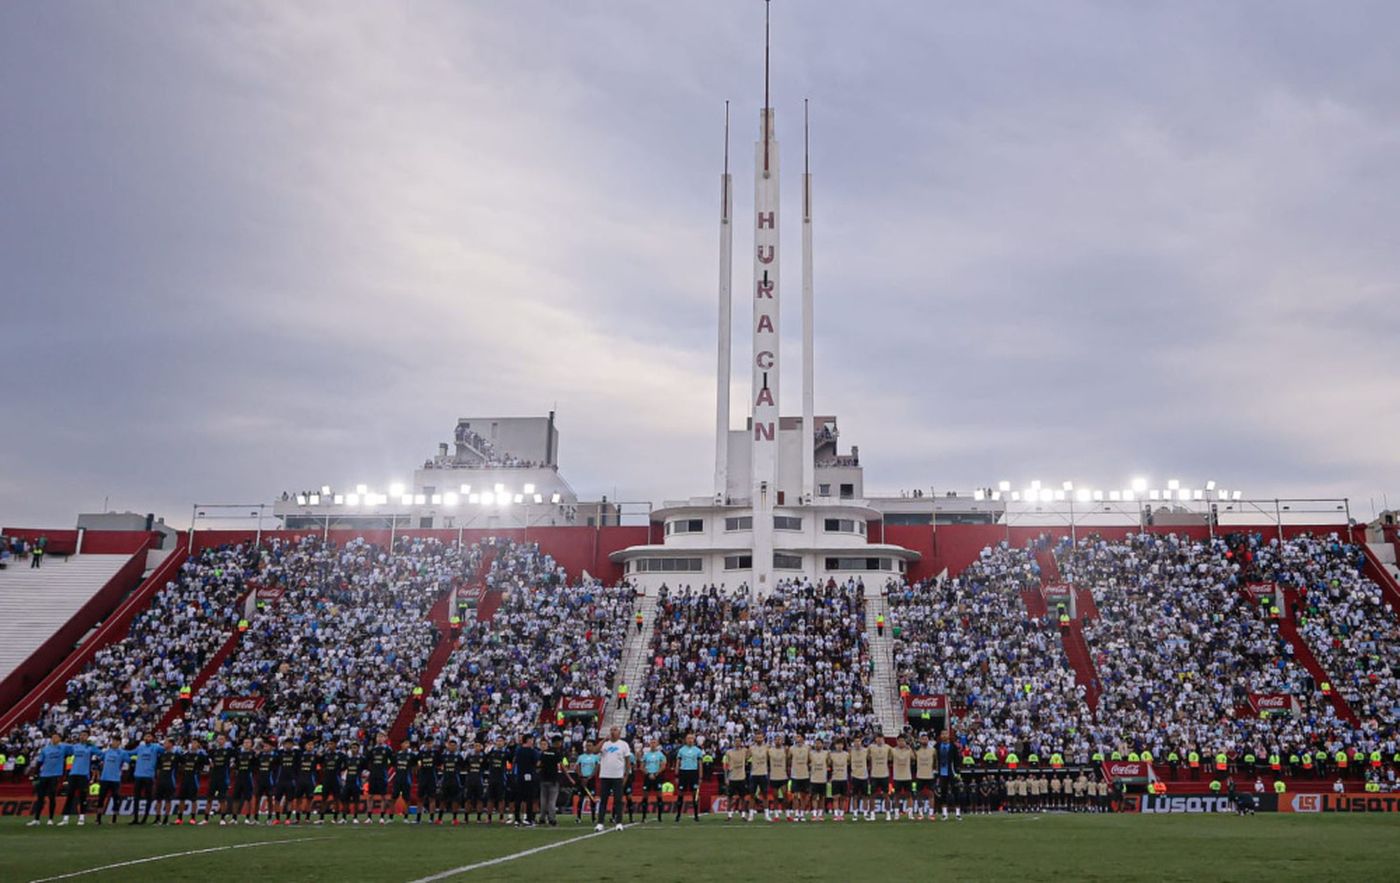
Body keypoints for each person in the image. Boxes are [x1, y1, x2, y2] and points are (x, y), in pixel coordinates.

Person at [597, 726, 633, 829]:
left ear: (619, 733)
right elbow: (595, 750)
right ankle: (600, 823)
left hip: (617, 776)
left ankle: (619, 823)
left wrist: (626, 776)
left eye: (615, 730)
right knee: (603, 800)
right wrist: (603, 740)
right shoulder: (605, 744)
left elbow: (627, 762)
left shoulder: (624, 745)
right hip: (605, 775)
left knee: (618, 800)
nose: (613, 732)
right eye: (611, 730)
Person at [28, 734, 69, 826]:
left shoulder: (63, 747)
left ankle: (50, 819)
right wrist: (35, 774)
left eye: (57, 737)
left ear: (60, 739)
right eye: (53, 737)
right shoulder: (45, 749)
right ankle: (36, 819)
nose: (55, 739)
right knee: (40, 798)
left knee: (52, 796)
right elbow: (39, 762)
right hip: (44, 775)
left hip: (55, 775)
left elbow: (75, 749)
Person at [60, 736, 99, 825]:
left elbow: (99, 753)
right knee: (69, 796)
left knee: (83, 797)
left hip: (84, 775)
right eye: (81, 735)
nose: (82, 737)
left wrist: (93, 746)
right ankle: (65, 819)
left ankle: (82, 818)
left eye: (84, 735)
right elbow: (65, 747)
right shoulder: (75, 746)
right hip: (73, 774)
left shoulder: (90, 748)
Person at [131, 732, 162, 825]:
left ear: (152, 738)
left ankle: (144, 818)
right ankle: (135, 819)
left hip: (149, 776)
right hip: (138, 776)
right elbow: (130, 753)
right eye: (146, 736)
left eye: (149, 736)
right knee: (136, 798)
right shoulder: (140, 747)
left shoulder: (156, 747)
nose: (147, 738)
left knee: (148, 798)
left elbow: (167, 750)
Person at [97, 734, 127, 825]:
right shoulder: (106, 752)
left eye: (115, 741)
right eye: (112, 741)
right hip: (105, 778)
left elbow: (128, 761)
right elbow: (100, 760)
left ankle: (114, 819)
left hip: (115, 779)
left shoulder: (122, 753)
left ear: (119, 743)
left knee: (115, 798)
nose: (113, 743)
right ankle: (98, 818)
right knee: (101, 798)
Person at [673, 733, 704, 822]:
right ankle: (678, 815)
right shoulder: (681, 750)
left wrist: (700, 776)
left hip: (693, 773)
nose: (690, 740)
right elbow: (678, 762)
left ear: (694, 740)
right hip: (683, 772)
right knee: (680, 793)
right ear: (685, 740)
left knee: (695, 795)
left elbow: (700, 764)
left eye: (691, 738)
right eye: (688, 738)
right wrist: (676, 774)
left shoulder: (697, 751)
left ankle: (696, 815)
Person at [512, 734, 539, 826]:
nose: (533, 741)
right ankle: (529, 819)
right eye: (532, 740)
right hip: (529, 776)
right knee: (529, 798)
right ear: (528, 740)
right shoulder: (532, 751)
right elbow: (537, 763)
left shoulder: (518, 751)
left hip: (519, 776)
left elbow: (514, 761)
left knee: (518, 798)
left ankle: (517, 819)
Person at [538, 736, 564, 827]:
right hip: (553, 779)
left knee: (543, 800)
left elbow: (539, 764)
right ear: (557, 743)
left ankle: (542, 818)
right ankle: (552, 819)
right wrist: (569, 778)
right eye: (560, 742)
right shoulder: (557, 753)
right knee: (552, 801)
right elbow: (561, 766)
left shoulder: (544, 752)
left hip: (543, 779)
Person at [640, 739, 667, 822]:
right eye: (651, 743)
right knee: (645, 797)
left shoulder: (660, 755)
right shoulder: (646, 755)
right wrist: (648, 774)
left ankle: (659, 817)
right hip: (648, 776)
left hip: (657, 776)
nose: (653, 744)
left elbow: (663, 766)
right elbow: (641, 767)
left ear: (657, 744)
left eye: (654, 742)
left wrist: (655, 774)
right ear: (649, 744)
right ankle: (644, 817)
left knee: (659, 796)